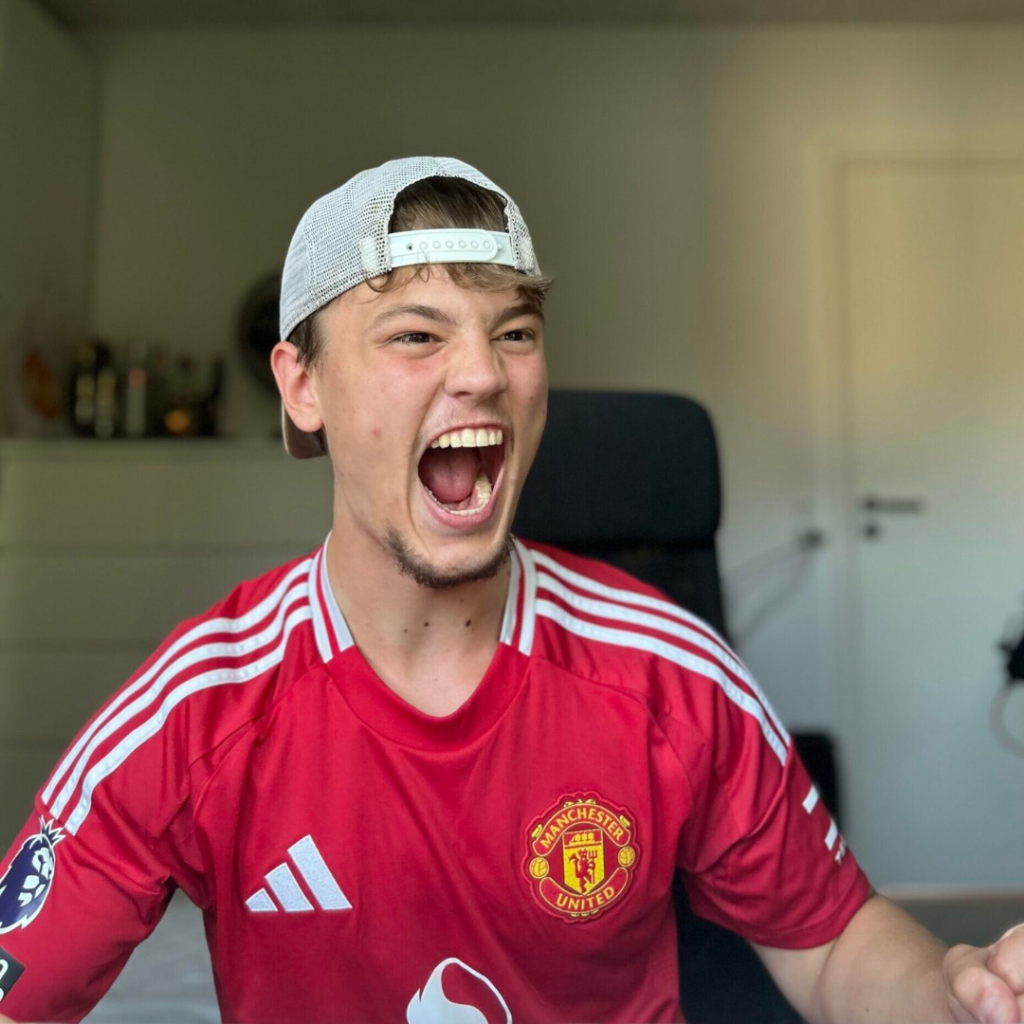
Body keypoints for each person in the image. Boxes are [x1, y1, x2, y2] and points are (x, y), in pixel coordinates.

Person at [0, 156, 1020, 1024]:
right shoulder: (197, 711)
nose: (484, 373)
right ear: (302, 385)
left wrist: (955, 988)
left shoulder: (670, 674)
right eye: (416, 334)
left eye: (515, 332)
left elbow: (833, 942)